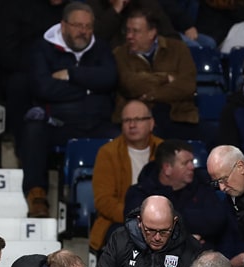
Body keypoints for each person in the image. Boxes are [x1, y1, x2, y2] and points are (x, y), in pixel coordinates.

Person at [19, 1, 119, 218]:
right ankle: (36, 196)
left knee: (127, 136)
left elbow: (110, 78)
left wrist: (71, 75)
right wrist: (90, 89)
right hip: (59, 123)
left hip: (97, 123)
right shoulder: (43, 47)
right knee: (33, 130)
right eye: (77, 25)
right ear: (63, 25)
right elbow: (43, 87)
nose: (83, 31)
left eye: (88, 26)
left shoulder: (100, 47)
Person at [123, 139, 244, 264]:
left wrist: (169, 223)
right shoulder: (141, 192)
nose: (192, 167)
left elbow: (216, 220)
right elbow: (136, 228)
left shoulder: (201, 186)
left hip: (201, 260)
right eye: (185, 163)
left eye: (192, 161)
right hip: (153, 262)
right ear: (167, 168)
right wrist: (186, 240)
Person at [112, 9, 202, 141]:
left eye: (135, 31)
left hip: (179, 116)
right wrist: (166, 78)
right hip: (138, 120)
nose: (129, 36)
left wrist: (152, 95)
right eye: (128, 31)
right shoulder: (119, 54)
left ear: (152, 33)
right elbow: (130, 84)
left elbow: (187, 85)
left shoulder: (178, 49)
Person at [90, 99, 162, 255]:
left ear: (151, 123)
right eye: (127, 120)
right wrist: (137, 220)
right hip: (119, 221)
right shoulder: (108, 153)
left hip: (161, 221)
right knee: (122, 238)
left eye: (138, 119)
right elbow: (104, 201)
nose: (132, 125)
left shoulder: (163, 151)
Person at [0, 0, 66, 148]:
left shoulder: (72, 12)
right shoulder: (16, 7)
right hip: (27, 72)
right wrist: (42, 71)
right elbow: (7, 55)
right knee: (18, 84)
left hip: (63, 72)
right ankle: (24, 150)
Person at [86, 0, 180, 48]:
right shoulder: (94, 5)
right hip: (119, 63)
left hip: (149, 56)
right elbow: (95, 39)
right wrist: (115, 10)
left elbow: (171, 36)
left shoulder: (145, 4)